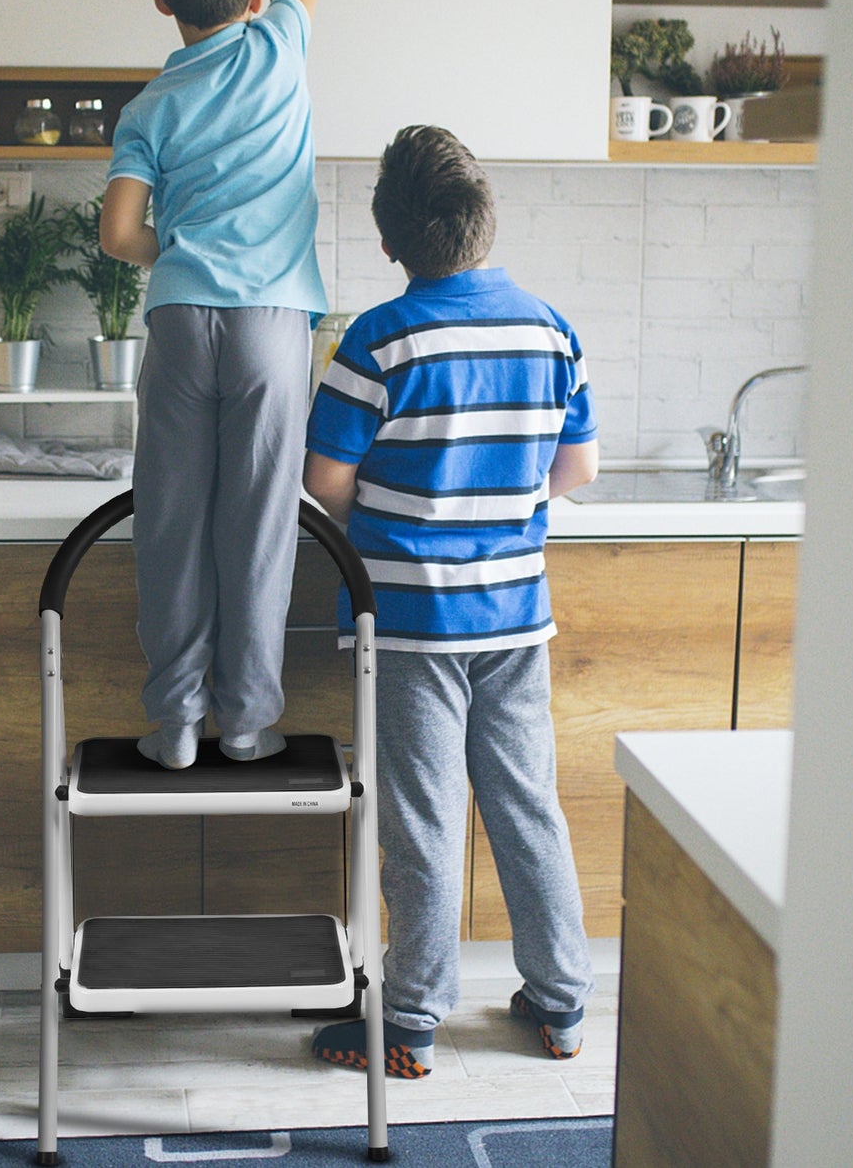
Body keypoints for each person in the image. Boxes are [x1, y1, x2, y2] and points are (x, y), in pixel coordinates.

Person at [303, 125, 600, 1075]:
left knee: (421, 824)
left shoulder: (376, 339)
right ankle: (559, 1005)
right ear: (485, 222)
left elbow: (325, 482)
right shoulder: (550, 328)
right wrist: (496, 504)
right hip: (515, 618)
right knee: (527, 809)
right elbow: (578, 470)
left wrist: (413, 511)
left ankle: (413, 1019)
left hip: (412, 625)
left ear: (388, 241)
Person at [99, 0, 329, 770]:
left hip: (180, 323)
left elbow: (117, 234)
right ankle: (245, 721)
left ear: (160, 2)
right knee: (259, 526)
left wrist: (179, 253)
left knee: (172, 524)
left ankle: (177, 724)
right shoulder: (279, 44)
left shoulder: (149, 106)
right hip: (273, 328)